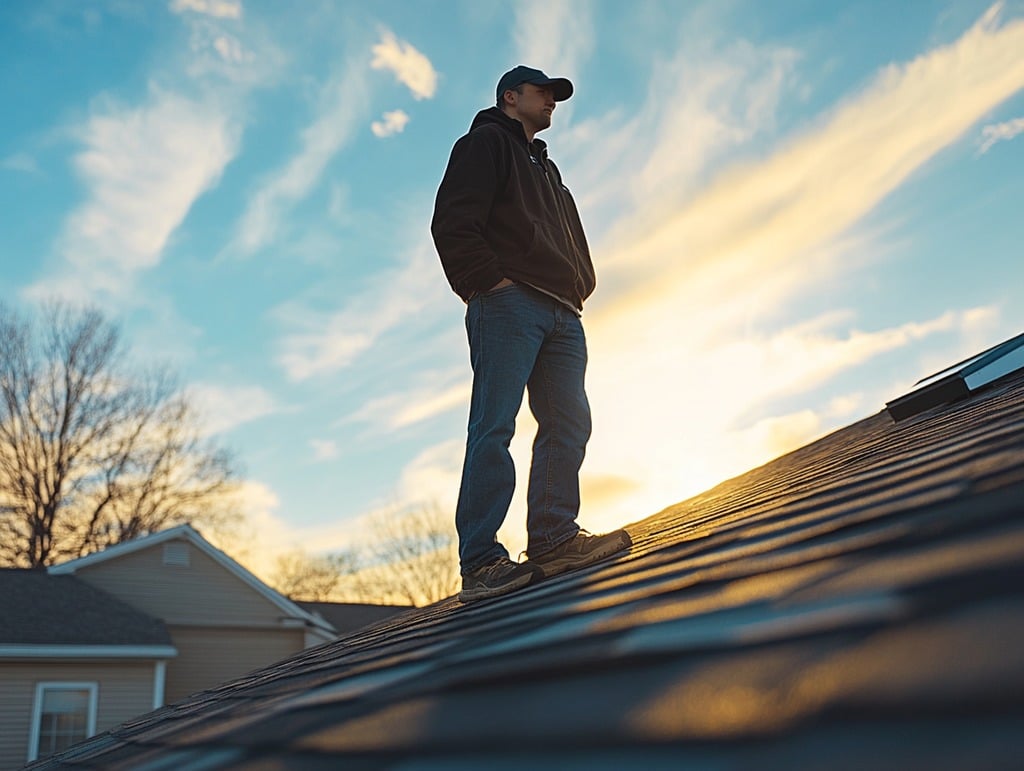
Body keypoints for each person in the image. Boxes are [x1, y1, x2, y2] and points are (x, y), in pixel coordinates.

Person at [431, 65, 631, 603]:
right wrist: (488, 283)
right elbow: (451, 220)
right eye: (543, 94)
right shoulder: (484, 144)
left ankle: (554, 540)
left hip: (564, 309)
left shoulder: (548, 168)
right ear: (510, 97)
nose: (552, 102)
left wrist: (581, 284)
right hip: (509, 302)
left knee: (569, 422)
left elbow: (570, 235)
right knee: (495, 425)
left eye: (555, 97)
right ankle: (480, 561)